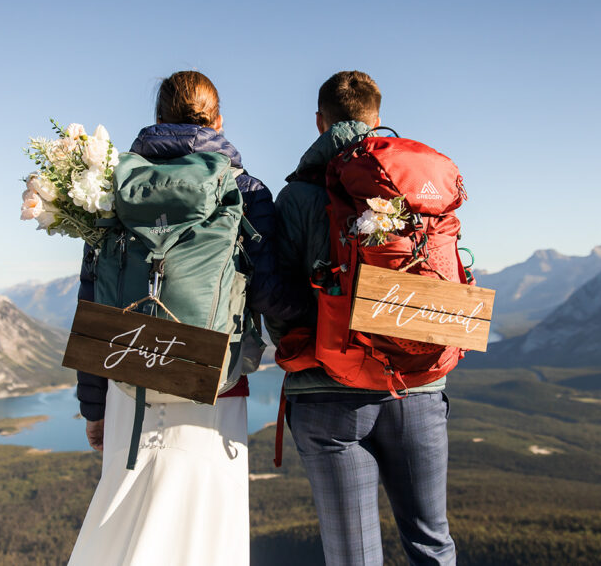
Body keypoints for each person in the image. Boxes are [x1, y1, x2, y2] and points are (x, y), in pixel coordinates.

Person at [68, 71, 302, 566]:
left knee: (122, 522)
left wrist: (93, 407)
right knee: (204, 531)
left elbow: (93, 300)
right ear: (217, 119)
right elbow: (267, 293)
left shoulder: (118, 189)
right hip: (212, 386)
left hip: (128, 380)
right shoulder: (244, 189)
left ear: (157, 120)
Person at [265, 71, 457, 565]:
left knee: (353, 555)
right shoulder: (418, 187)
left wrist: (316, 332)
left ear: (319, 122)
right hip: (415, 387)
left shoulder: (299, 197)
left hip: (327, 393)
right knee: (431, 542)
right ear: (377, 117)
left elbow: (275, 293)